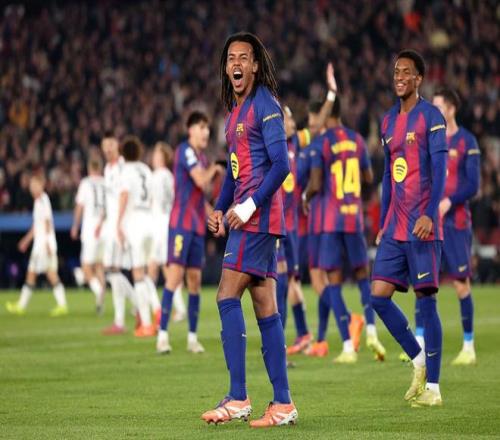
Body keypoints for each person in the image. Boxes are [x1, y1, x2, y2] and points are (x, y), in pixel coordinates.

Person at [201, 32, 297, 427]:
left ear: (255, 66)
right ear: (226, 68)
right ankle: (283, 403)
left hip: (257, 219)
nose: (237, 63)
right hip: (249, 217)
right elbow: (234, 172)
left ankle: (238, 397)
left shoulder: (265, 105)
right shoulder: (234, 115)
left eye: (244, 57)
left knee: (226, 295)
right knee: (265, 307)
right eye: (231, 58)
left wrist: (248, 205)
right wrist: (219, 207)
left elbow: (281, 164)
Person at [371, 50, 447, 407]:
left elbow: (440, 170)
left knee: (426, 301)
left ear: (419, 79)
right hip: (396, 227)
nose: (399, 77)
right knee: (377, 296)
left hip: (422, 226)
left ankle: (434, 388)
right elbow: (388, 176)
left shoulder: (431, 117)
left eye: (406, 72)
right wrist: (382, 222)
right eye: (396, 71)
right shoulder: (387, 121)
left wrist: (430, 214)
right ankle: (418, 358)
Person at [304, 96, 386, 363]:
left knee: (334, 282)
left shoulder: (323, 142)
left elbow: (316, 183)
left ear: (326, 113)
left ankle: (348, 347)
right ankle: (372, 331)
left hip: (331, 220)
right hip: (354, 218)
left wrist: (306, 197)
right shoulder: (357, 140)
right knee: (363, 278)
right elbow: (369, 178)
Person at [282, 64, 337, 357]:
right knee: (286, 280)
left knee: (286, 280)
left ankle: (289, 338)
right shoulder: (271, 147)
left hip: (290, 227)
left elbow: (317, 127)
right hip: (278, 225)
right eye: (289, 117)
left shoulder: (295, 141)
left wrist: (331, 94)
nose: (293, 121)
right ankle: (302, 333)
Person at [156, 112, 223, 354]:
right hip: (180, 225)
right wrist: (216, 168)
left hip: (196, 226)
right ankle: (162, 336)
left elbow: (199, 199)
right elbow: (200, 180)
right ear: (191, 130)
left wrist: (214, 217)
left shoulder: (202, 158)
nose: (206, 132)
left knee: (194, 281)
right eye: (201, 127)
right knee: (174, 277)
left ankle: (192, 338)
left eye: (207, 128)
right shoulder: (185, 151)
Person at [433, 88, 480, 365]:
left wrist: (449, 201)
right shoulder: (431, 140)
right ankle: (420, 345)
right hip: (431, 221)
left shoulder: (467, 141)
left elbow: (473, 185)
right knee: (425, 283)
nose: (435, 112)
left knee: (461, 284)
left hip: (456, 222)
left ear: (451, 109)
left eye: (439, 107)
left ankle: (469, 346)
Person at [6, 174, 68, 316]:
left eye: (35, 186)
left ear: (42, 186)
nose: (32, 188)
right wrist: (26, 240)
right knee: (31, 273)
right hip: (39, 244)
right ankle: (21, 305)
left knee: (51, 274)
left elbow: (47, 223)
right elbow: (36, 226)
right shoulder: (38, 202)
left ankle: (62, 305)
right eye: (31, 186)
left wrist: (47, 243)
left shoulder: (43, 200)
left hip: (44, 245)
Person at [117, 135, 158, 337]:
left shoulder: (126, 170)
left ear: (123, 153)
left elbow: (124, 195)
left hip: (136, 222)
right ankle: (156, 309)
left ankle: (147, 324)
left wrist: (118, 222)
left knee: (138, 273)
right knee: (148, 271)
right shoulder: (146, 169)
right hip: (150, 219)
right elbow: (152, 197)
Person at [98, 133, 138, 335]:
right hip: (111, 226)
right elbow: (110, 200)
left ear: (117, 146)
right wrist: (102, 222)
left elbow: (125, 195)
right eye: (105, 145)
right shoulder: (107, 169)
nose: (108, 149)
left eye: (111, 144)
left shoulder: (124, 166)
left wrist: (120, 224)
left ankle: (124, 318)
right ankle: (134, 309)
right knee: (114, 271)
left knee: (114, 270)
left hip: (121, 225)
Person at [148, 142, 186, 323]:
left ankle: (162, 308)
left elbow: (150, 201)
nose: (153, 158)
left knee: (159, 268)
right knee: (163, 267)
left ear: (162, 157)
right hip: (168, 224)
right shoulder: (170, 176)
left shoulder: (156, 176)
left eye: (156, 155)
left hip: (158, 225)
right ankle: (159, 306)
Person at [70, 157, 106, 314]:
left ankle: (98, 291)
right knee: (99, 267)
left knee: (86, 267)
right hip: (104, 229)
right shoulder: (106, 183)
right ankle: (100, 303)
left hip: (91, 229)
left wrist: (75, 226)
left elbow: (80, 206)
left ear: (89, 168)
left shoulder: (85, 183)